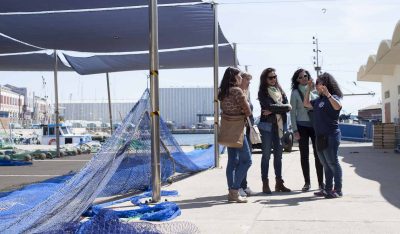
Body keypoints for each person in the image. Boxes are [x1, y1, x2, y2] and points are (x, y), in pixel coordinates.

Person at [304, 72, 343, 199]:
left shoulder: (334, 97)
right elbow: (306, 104)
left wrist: (328, 94)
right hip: (320, 136)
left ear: (325, 85)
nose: (316, 86)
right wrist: (308, 89)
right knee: (325, 164)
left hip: (331, 135)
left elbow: (338, 106)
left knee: (333, 163)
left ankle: (337, 189)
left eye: (318, 83)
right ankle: (327, 189)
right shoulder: (318, 100)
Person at [219, 67, 252, 203]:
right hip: (238, 129)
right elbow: (248, 111)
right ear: (233, 77)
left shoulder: (222, 92)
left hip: (227, 129)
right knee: (247, 160)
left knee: (232, 161)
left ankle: (231, 191)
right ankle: (234, 190)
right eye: (239, 76)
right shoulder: (237, 91)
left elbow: (224, 108)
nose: (240, 78)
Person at [257, 68, 292, 194]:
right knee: (266, 156)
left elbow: (288, 107)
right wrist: (279, 108)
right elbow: (269, 106)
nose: (273, 79)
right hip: (267, 127)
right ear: (265, 79)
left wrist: (273, 110)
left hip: (280, 126)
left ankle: (279, 183)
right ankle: (265, 183)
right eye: (270, 77)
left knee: (279, 156)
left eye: (275, 77)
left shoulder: (280, 91)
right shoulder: (262, 92)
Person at [290, 69, 324, 192]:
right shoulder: (294, 93)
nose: (304, 78)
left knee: (318, 154)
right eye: (300, 77)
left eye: (305, 76)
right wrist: (294, 130)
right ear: (296, 80)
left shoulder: (316, 91)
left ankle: (321, 183)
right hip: (301, 126)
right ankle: (307, 182)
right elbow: (292, 113)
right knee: (304, 155)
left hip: (315, 126)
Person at [238, 72, 256, 197]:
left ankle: (243, 185)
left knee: (246, 159)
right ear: (241, 79)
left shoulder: (246, 93)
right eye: (247, 79)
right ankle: (237, 186)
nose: (249, 82)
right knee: (242, 160)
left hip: (248, 130)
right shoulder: (238, 93)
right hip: (239, 130)